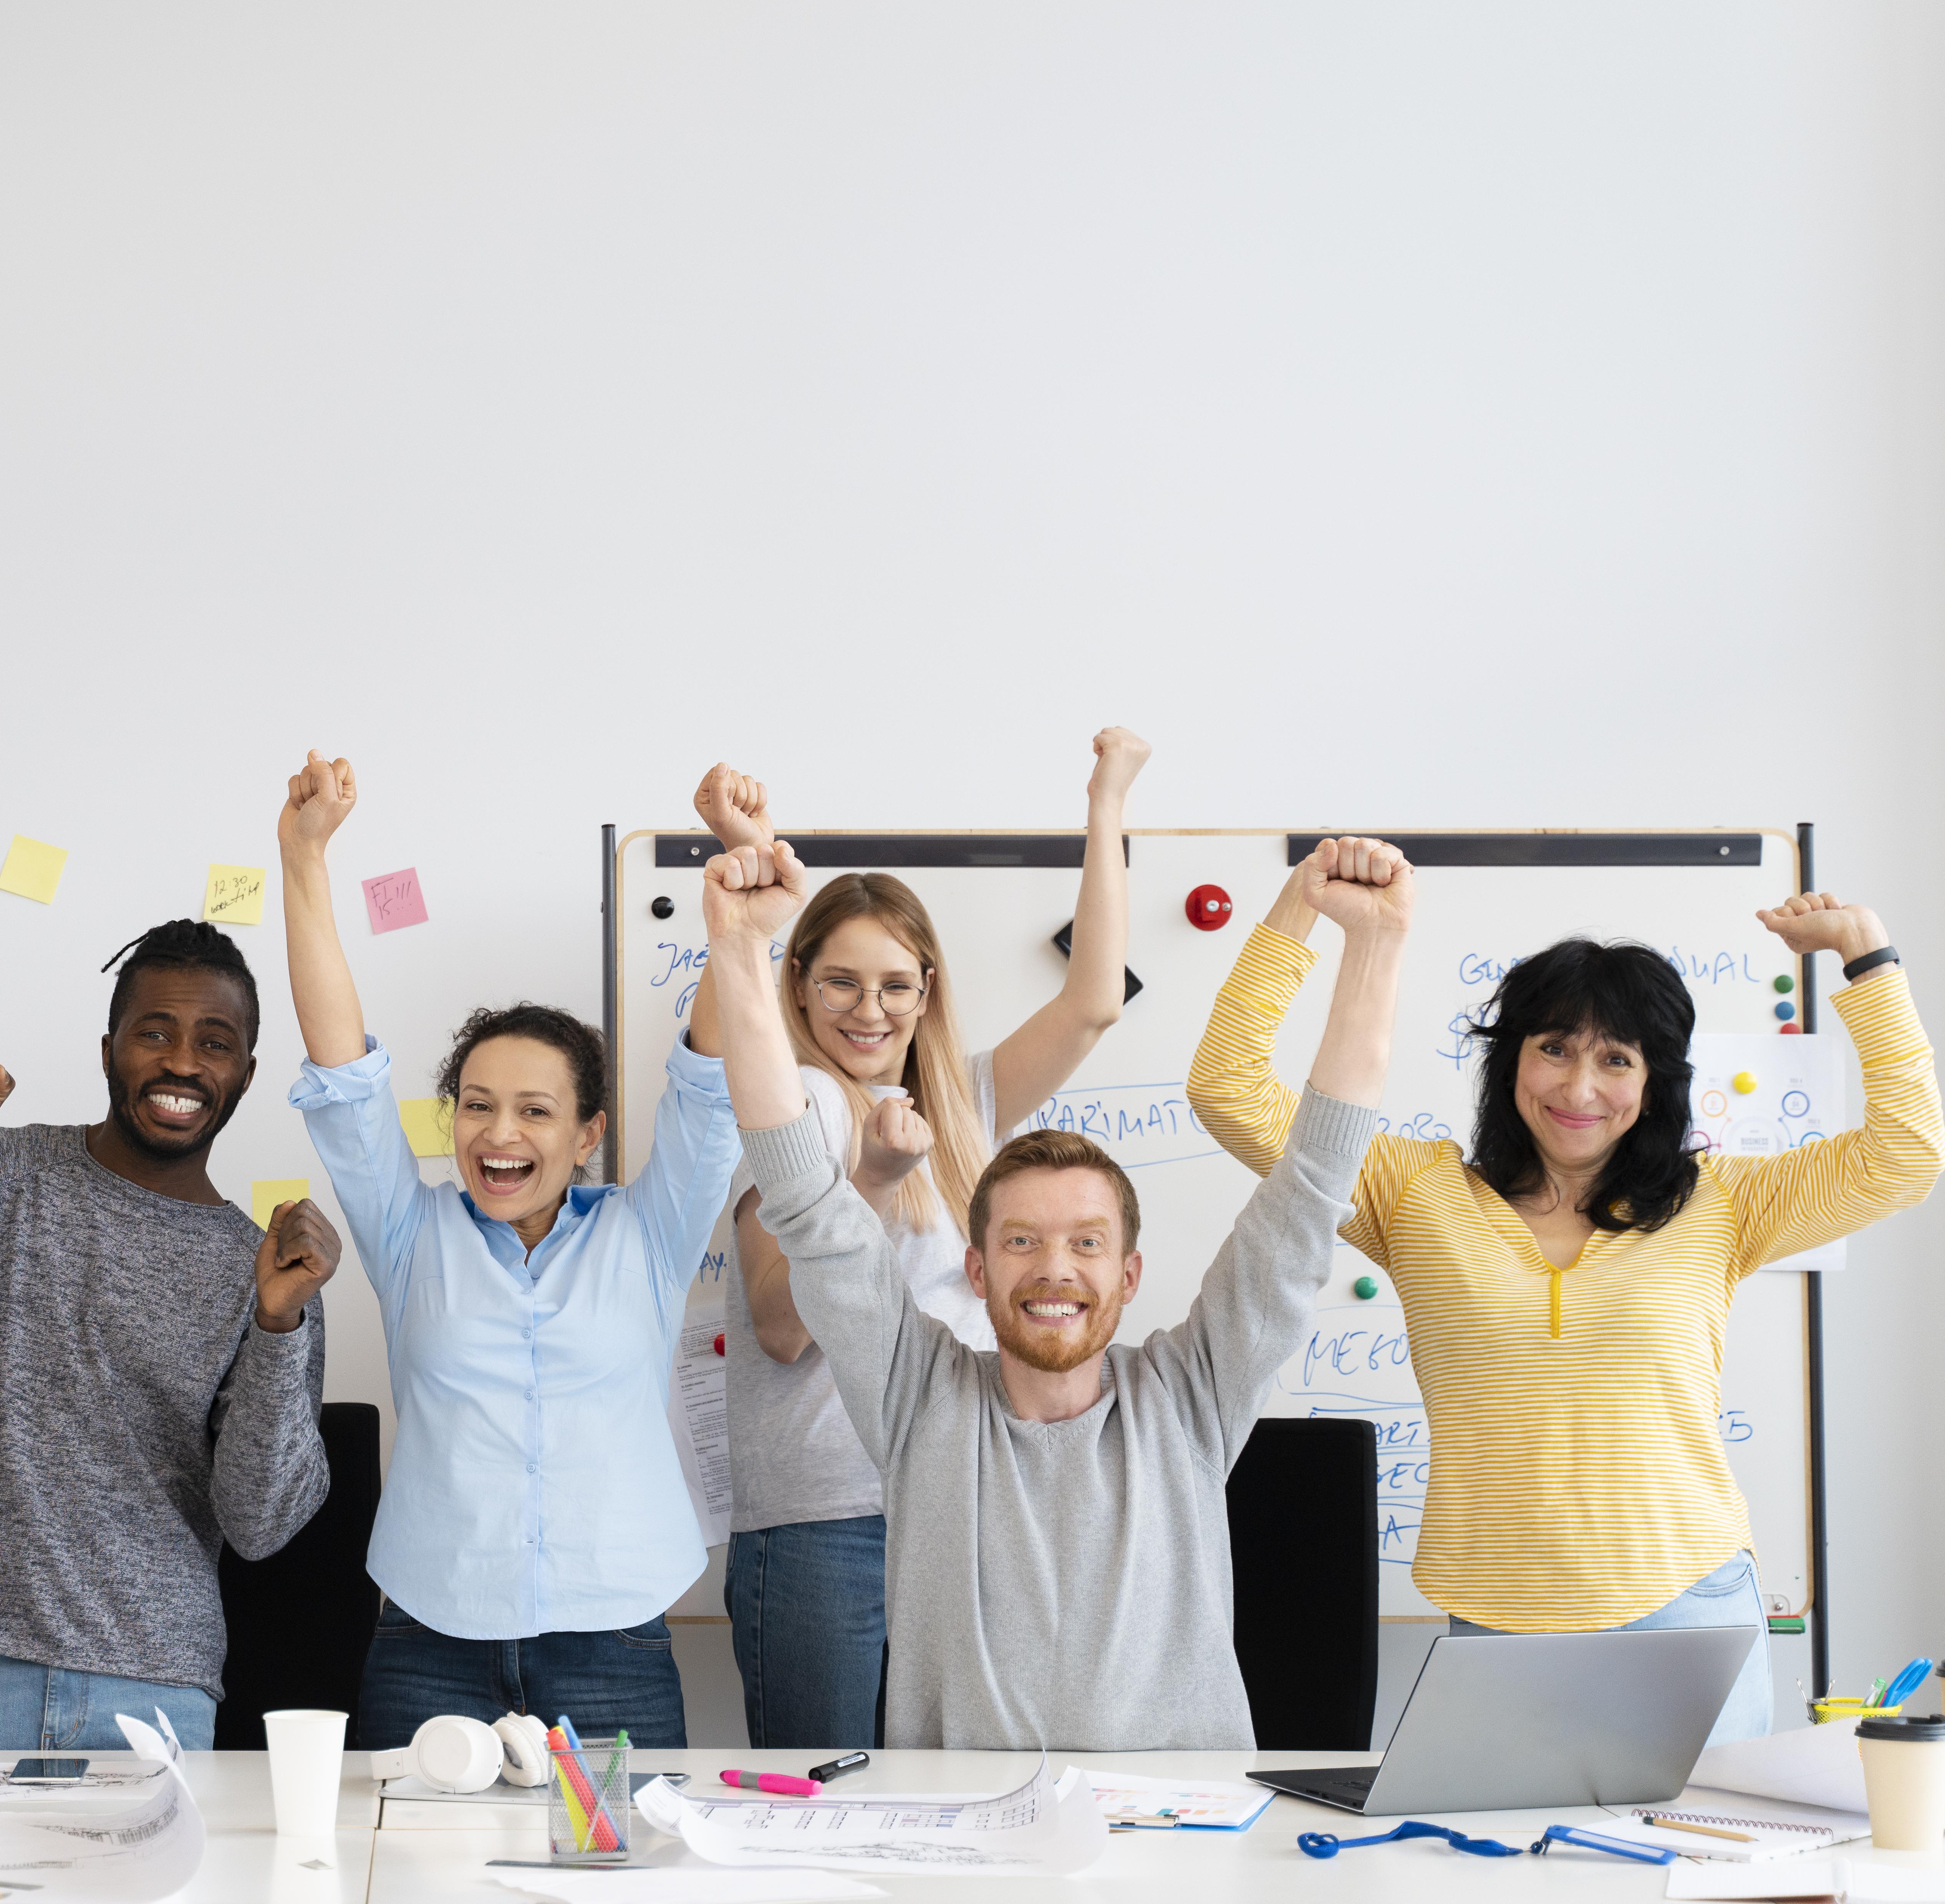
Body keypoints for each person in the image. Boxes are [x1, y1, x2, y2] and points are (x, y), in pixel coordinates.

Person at [1188, 846, 1942, 1746]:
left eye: (1616, 1059)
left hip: (1689, 1608)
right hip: (1503, 1618)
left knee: (1708, 1873)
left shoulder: (1724, 1202)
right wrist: (1298, 909)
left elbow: (1907, 1152)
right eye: (1552, 1049)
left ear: (1654, 1081)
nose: (1579, 1088)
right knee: (1524, 1877)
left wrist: (1868, 955)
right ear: (1511, 1060)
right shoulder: (1412, 1191)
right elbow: (1227, 1091)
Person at [710, 829, 1408, 1748]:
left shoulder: (1191, 1395)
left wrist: (1376, 947)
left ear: (1128, 1276)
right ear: (975, 1268)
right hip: (975, 1842)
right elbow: (801, 1188)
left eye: (1085, 1242)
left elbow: (1313, 1179)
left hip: (1182, 1844)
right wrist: (736, 944)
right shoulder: (920, 1403)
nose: (1053, 1268)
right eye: (1023, 1240)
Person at [277, 750, 740, 1749]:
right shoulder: (413, 1233)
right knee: (407, 1885)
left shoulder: (647, 1235)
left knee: (623, 1882)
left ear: (588, 1134)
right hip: (429, 1637)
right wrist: (304, 857)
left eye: (536, 1111)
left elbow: (709, 1079)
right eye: (478, 1106)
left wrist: (736, 906)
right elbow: (342, 1068)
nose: (500, 1134)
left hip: (614, 1637)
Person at [704, 730, 1145, 1750]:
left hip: (959, 1496)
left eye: (898, 983)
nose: (871, 1009)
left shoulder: (959, 1101)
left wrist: (1106, 802)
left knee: (952, 1813)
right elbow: (778, 1323)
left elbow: (1093, 1001)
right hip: (828, 1521)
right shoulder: (802, 1103)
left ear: (929, 989)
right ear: (800, 984)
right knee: (831, 1814)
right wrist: (866, 1182)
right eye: (843, 982)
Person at [0, 921, 339, 1752]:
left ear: (245, 1074)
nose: (184, 1062)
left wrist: (277, 1325)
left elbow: (261, 1522)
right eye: (154, 1031)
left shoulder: (266, 1268)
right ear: (108, 1049)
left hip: (155, 1689)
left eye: (216, 1042)